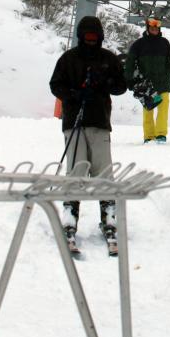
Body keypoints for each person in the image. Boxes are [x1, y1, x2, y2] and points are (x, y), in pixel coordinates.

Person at [49, 15, 126, 239]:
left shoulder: (108, 59)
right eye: (87, 37)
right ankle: (70, 215)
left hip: (100, 121)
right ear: (81, 37)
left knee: (103, 170)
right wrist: (73, 94)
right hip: (74, 121)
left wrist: (107, 83)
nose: (91, 41)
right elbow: (55, 85)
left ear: (100, 37)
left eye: (95, 37)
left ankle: (109, 215)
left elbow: (121, 86)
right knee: (76, 169)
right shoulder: (69, 59)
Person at [124, 16, 170, 144]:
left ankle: (160, 134)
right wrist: (128, 79)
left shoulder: (165, 43)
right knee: (148, 109)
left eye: (156, 28)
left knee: (163, 108)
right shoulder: (139, 44)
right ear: (148, 28)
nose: (154, 30)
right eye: (152, 28)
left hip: (163, 83)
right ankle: (149, 136)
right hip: (146, 84)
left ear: (159, 29)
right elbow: (130, 62)